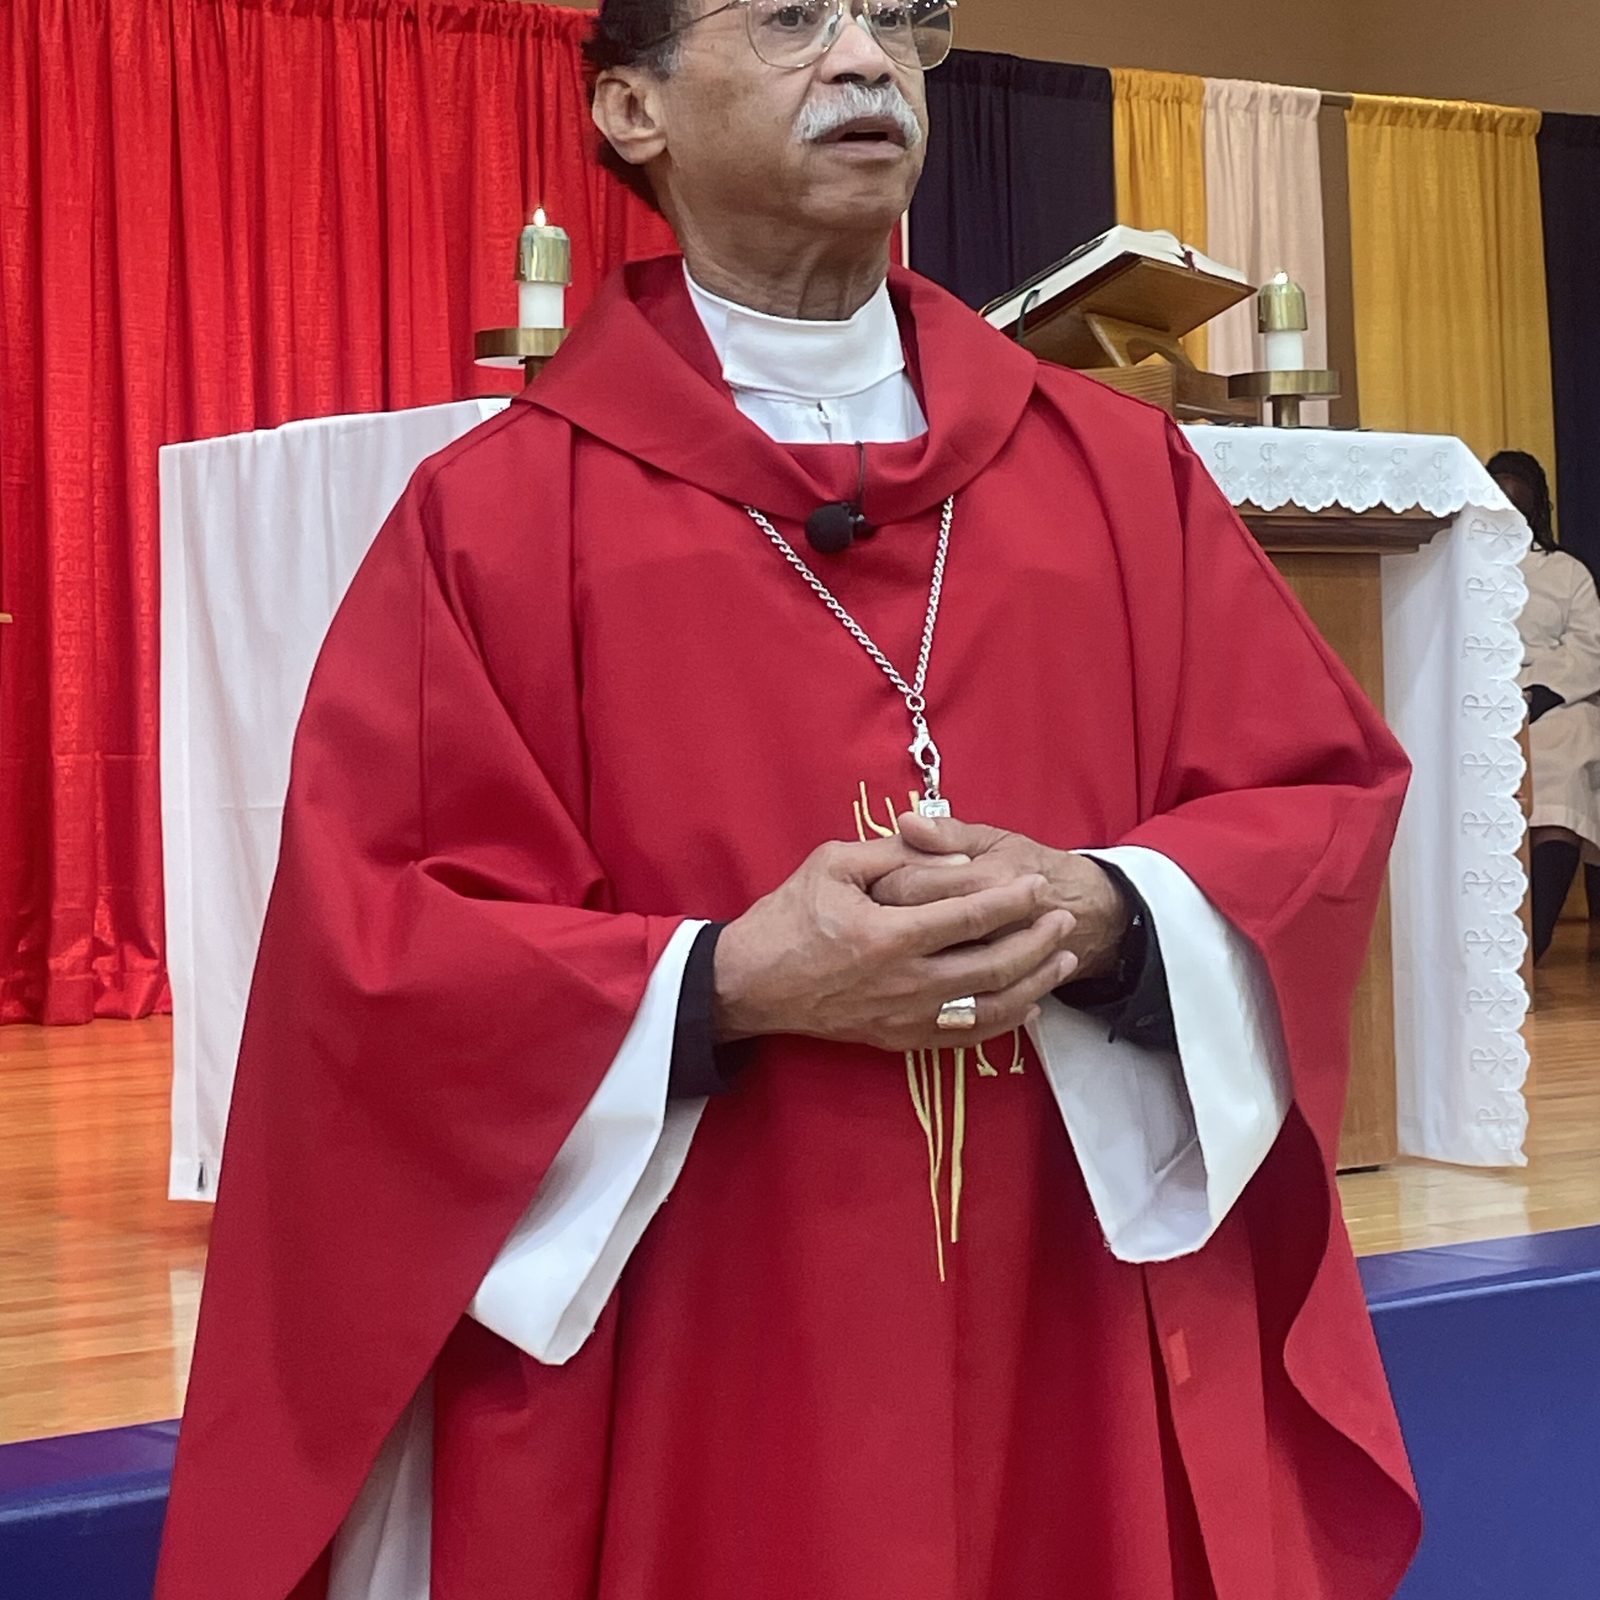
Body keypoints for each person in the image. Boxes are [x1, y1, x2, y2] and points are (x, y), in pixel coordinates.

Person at [156, 4, 1418, 1597]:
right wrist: (724, 982)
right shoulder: (499, 521)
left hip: (1070, 1286)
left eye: (897, 20)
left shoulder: (1115, 474)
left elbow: (1312, 796)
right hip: (703, 1311)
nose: (865, 60)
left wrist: (1110, 907)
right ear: (631, 110)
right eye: (788, 21)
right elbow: (379, 946)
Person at [1490, 450, 1600, 961]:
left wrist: (1539, 697)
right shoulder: (1456, 557)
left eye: (1520, 497)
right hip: (1484, 694)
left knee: (1559, 759)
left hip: (1556, 700)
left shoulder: (1567, 571)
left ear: (1537, 503)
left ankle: (1531, 942)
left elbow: (1587, 647)